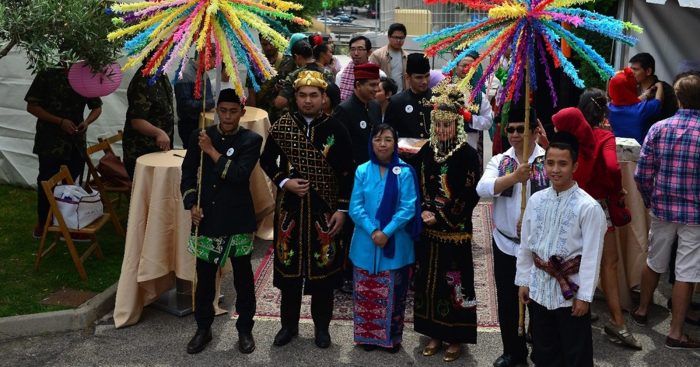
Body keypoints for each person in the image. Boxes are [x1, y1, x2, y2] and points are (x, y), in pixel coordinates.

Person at [259, 70, 354, 349]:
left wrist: (342, 210)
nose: (308, 101)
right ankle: (288, 326)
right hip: (289, 209)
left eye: (314, 95)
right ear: (295, 97)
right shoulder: (282, 126)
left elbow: (348, 172)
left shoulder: (337, 129)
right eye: (303, 95)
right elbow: (266, 161)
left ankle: (322, 329)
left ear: (324, 98)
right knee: (288, 271)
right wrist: (284, 181)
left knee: (323, 274)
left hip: (324, 213)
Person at [180, 89, 263, 355]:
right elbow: (188, 174)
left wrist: (212, 151)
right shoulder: (200, 136)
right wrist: (192, 203)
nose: (227, 116)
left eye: (233, 111)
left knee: (243, 279)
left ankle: (245, 330)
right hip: (208, 217)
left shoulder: (251, 140)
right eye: (223, 110)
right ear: (216, 110)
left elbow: (239, 175)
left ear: (242, 112)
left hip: (238, 218)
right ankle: (203, 328)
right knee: (204, 278)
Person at [516, 132, 606, 367]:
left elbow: (592, 256)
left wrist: (585, 297)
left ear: (575, 165)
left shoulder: (588, 207)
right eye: (550, 163)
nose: (556, 169)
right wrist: (524, 280)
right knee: (544, 352)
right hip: (539, 289)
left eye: (563, 164)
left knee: (574, 354)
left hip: (570, 294)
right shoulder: (536, 200)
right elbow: (526, 244)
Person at [413, 81, 481, 362]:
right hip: (429, 229)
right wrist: (421, 211)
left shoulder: (467, 155)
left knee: (454, 282)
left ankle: (456, 337)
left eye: (447, 125)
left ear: (457, 125)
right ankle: (433, 332)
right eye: (438, 125)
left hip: (455, 230)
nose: (442, 130)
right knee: (428, 281)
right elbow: (417, 183)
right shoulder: (428, 150)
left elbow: (469, 194)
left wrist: (440, 216)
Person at [476, 104, 547, 367]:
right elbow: (483, 188)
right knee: (507, 301)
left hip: (538, 245)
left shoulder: (546, 161)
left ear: (534, 132)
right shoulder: (501, 161)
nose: (515, 135)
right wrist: (514, 177)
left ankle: (541, 351)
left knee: (537, 302)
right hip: (505, 243)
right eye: (511, 130)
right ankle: (513, 353)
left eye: (521, 129)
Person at [632, 73, 700, 349]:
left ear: (678, 98)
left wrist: (650, 199)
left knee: (654, 259)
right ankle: (675, 331)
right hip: (695, 215)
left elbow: (642, 174)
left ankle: (642, 310)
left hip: (662, 207)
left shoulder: (659, 128)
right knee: (686, 271)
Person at [572, 91, 642, 349]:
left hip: (573, 204)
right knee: (608, 264)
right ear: (603, 113)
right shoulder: (604, 136)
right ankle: (617, 322)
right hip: (599, 206)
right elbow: (613, 167)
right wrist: (617, 189)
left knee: (571, 261)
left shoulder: (572, 136)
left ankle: (576, 309)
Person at [349, 123, 421, 353]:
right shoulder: (362, 170)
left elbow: (408, 207)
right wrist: (373, 231)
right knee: (364, 292)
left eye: (388, 139)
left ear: (395, 143)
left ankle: (391, 339)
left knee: (395, 293)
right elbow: (355, 207)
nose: (382, 144)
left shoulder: (405, 172)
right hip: (365, 242)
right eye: (378, 139)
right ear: (371, 142)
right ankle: (366, 337)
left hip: (395, 243)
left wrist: (386, 232)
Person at [25, 66, 103, 239]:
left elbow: (97, 107)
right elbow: (32, 106)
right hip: (50, 140)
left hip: (75, 141)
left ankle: (72, 225)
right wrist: (59, 121)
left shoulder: (83, 76)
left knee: (74, 184)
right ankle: (43, 223)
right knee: (46, 181)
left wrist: (87, 122)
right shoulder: (47, 74)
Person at [333, 63, 383, 294]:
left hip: (373, 177)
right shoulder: (344, 110)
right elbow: (340, 151)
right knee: (351, 227)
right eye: (372, 85)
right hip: (352, 179)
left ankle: (365, 267)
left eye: (377, 84)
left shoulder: (373, 107)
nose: (377, 88)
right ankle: (344, 274)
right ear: (357, 85)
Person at [123, 63, 175, 179]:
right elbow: (137, 121)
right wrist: (159, 133)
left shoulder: (161, 74)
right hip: (143, 152)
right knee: (146, 193)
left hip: (158, 150)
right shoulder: (144, 79)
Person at [450, 50, 494, 170]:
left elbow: (488, 121)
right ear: (456, 67)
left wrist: (471, 118)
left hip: (471, 143)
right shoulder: (444, 89)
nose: (467, 69)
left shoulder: (479, 96)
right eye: (464, 65)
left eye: (471, 66)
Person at [607, 67, 662, 145]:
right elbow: (658, 102)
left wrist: (645, 95)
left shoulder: (608, 108)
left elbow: (626, 101)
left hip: (615, 150)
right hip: (637, 153)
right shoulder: (641, 109)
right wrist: (660, 86)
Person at [384, 53, 433, 139]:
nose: (424, 81)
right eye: (419, 77)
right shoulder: (397, 102)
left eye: (427, 76)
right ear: (407, 77)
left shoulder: (438, 98)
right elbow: (388, 133)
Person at [628, 52, 678, 133]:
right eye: (631, 69)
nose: (631, 72)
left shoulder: (666, 90)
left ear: (648, 71)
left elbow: (670, 118)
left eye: (635, 69)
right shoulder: (630, 87)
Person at [174, 56, 215, 149]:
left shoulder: (204, 74)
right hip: (189, 125)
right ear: (206, 55)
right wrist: (208, 104)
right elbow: (184, 105)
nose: (216, 64)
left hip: (202, 122)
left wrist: (210, 103)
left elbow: (209, 98)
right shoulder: (185, 74)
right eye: (214, 60)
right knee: (192, 155)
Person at [337, 36, 386, 102]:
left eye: (360, 49)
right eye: (353, 49)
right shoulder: (341, 75)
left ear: (369, 53)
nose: (356, 53)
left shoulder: (380, 75)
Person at [246, 35, 283, 111]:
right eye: (264, 44)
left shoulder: (287, 61)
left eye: (271, 43)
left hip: (281, 113)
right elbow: (251, 91)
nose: (268, 47)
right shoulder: (255, 63)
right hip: (260, 110)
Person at [369, 23, 408, 93]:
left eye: (401, 38)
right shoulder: (377, 55)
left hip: (401, 96)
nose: (398, 40)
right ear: (389, 37)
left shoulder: (406, 56)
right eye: (396, 37)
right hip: (383, 96)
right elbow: (370, 78)